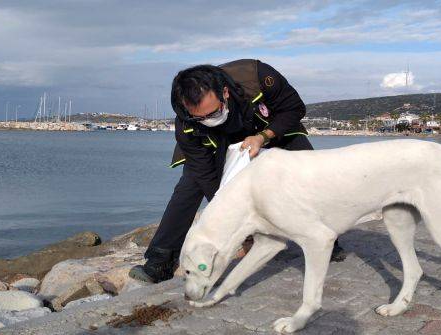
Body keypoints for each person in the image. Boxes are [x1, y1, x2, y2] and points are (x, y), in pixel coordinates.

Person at [129, 59, 346, 284]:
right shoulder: (187, 124)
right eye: (200, 117)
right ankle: (160, 261)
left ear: (224, 93)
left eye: (213, 113)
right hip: (218, 145)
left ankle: (326, 240)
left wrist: (263, 137)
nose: (208, 120)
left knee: (307, 168)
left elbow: (294, 108)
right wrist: (239, 220)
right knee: (190, 185)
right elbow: (207, 178)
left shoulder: (257, 77)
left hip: (268, 130)